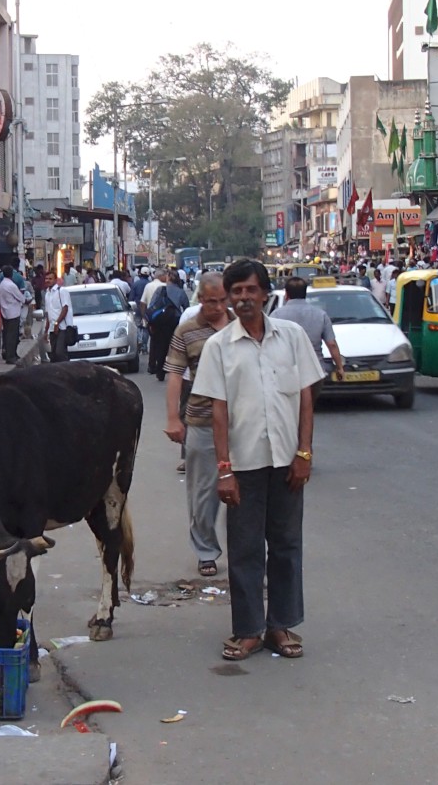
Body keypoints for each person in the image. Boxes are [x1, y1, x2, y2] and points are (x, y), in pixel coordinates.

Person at [192, 260, 324, 662]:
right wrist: (224, 469)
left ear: (266, 294)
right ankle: (248, 630)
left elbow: (305, 398)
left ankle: (280, 626)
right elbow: (218, 411)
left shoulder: (293, 337)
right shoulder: (219, 347)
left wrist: (304, 452)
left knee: (286, 544)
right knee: (246, 548)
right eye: (237, 292)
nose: (244, 298)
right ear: (229, 298)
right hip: (244, 465)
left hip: (287, 460)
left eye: (251, 290)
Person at [163, 272, 232, 578]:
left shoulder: (243, 325)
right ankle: (206, 551)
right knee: (204, 494)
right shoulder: (187, 331)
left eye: (221, 300)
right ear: (200, 299)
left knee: (246, 493)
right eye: (210, 301)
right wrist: (173, 418)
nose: (216, 307)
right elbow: (176, 374)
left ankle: (245, 551)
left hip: (243, 422)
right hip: (202, 421)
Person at [271, 277, 344, 395]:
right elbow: (332, 344)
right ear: (305, 293)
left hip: (286, 371)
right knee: (309, 407)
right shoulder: (320, 315)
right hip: (315, 371)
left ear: (286, 294)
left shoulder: (276, 315)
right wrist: (339, 367)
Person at [43, 269, 74, 362]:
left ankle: (67, 371)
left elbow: (65, 308)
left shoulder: (62, 291)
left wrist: (57, 323)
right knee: (53, 355)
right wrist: (46, 330)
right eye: (46, 278)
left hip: (62, 327)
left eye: (50, 278)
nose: (48, 280)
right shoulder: (47, 294)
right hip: (52, 328)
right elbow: (48, 313)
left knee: (60, 352)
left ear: (55, 280)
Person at [0, 265, 25, 363]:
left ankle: (11, 354)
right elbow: (21, 298)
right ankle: (10, 356)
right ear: (12, 274)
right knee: (12, 336)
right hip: (13, 312)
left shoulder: (2, 284)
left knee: (8, 334)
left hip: (5, 312)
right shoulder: (11, 285)